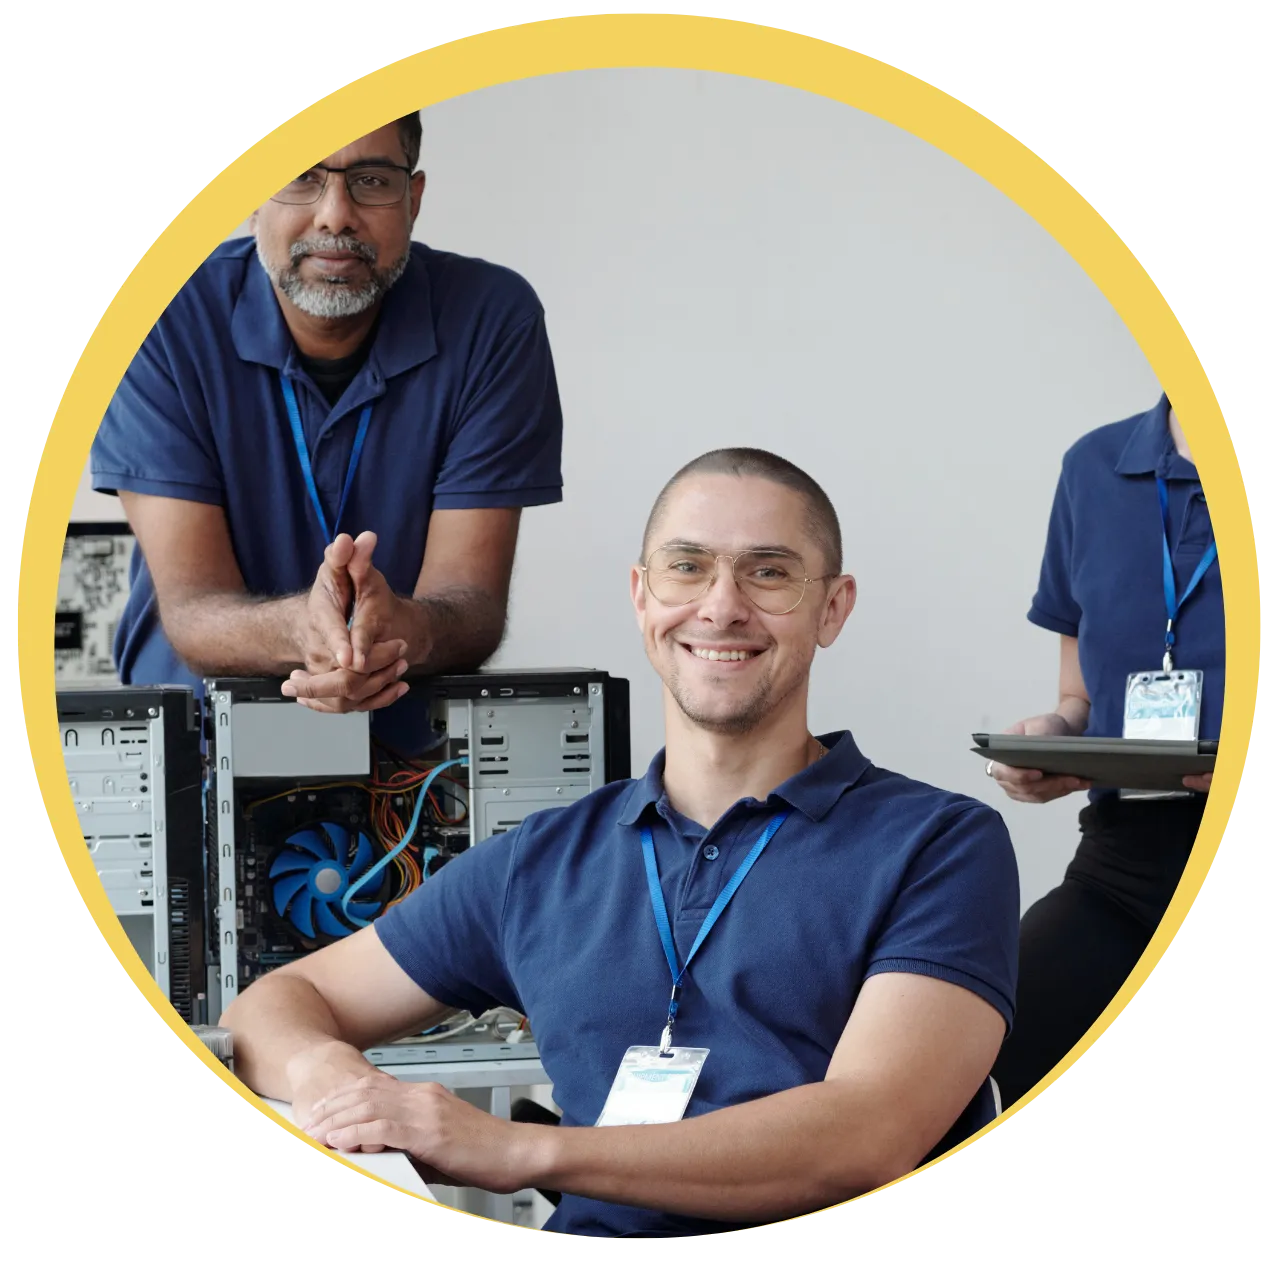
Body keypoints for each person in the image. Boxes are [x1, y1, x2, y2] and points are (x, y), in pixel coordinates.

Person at [218, 447, 1021, 1239]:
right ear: (641, 597)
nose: (720, 607)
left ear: (833, 608)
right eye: (686, 567)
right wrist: (335, 1076)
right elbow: (271, 1009)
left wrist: (523, 1151)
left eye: (769, 572)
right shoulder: (543, 859)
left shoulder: (940, 846)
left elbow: (867, 1137)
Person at [88, 111, 563, 751]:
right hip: (197, 756)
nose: (335, 213)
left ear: (413, 200)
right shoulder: (154, 318)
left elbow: (471, 604)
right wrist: (307, 633)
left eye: (370, 179)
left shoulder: (492, 320)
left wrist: (401, 630)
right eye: (300, 176)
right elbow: (193, 607)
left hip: (411, 768)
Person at [986, 392, 1221, 1106]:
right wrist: (1056, 741)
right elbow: (1079, 697)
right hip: (1126, 865)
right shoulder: (1093, 467)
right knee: (982, 1047)